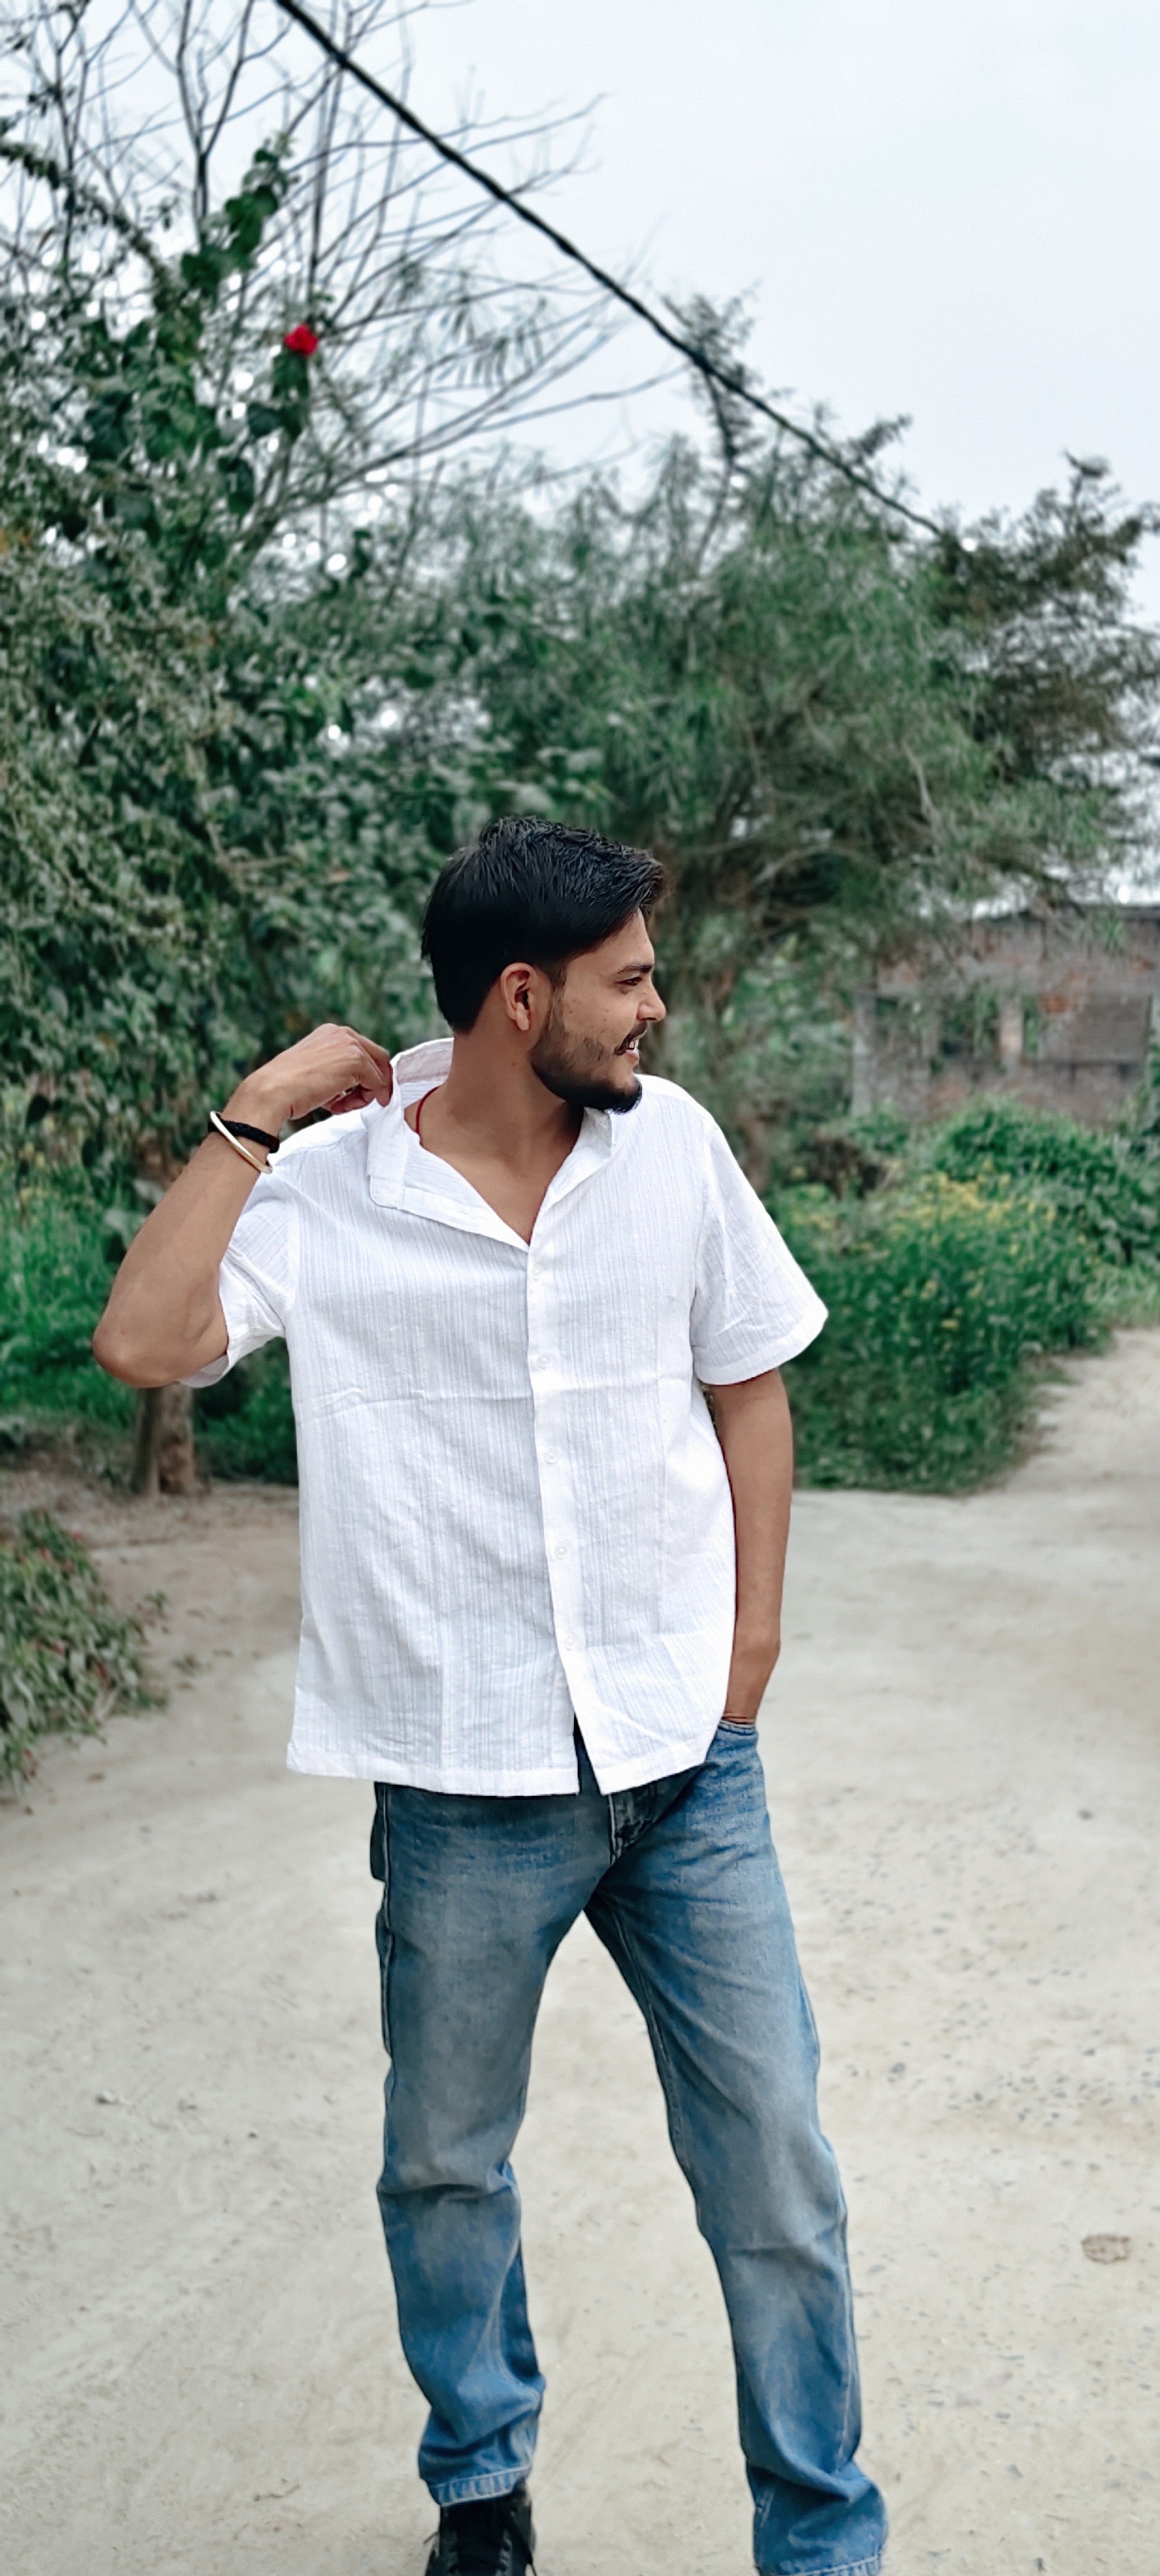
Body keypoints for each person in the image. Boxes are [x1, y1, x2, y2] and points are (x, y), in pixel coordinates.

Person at [94, 818, 887, 2576]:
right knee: (447, 2167)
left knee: (774, 2169)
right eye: (628, 981)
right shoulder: (330, 1188)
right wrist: (253, 1112)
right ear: (522, 998)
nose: (655, 1011)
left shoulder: (671, 1150)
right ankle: (482, 2482)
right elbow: (146, 1346)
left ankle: (823, 2538)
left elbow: (749, 1389)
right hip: (464, 1782)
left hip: (686, 1765)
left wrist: (748, 1655)